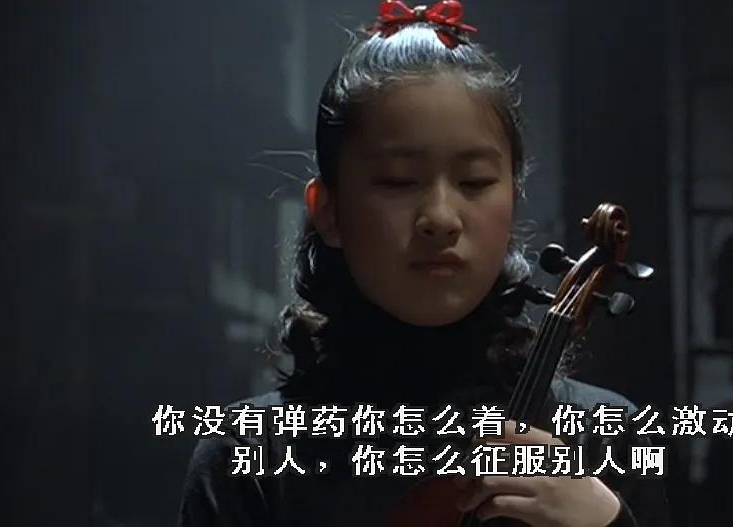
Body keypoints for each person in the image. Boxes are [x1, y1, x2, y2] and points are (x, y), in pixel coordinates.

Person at [178, 1, 671, 525]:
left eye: (474, 182)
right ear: (329, 211)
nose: (440, 217)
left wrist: (610, 522)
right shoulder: (248, 458)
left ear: (512, 201)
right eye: (397, 181)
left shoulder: (605, 437)